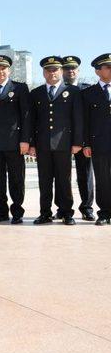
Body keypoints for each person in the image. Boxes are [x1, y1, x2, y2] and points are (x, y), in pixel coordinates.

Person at [29, 56, 83, 225]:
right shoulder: (36, 93)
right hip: (43, 144)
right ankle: (45, 213)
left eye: (55, 69)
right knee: (44, 181)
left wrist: (77, 142)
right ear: (44, 72)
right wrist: (31, 144)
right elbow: (32, 120)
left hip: (64, 144)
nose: (52, 73)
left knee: (64, 180)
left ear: (61, 71)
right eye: (49, 70)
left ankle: (67, 212)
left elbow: (77, 119)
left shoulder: (73, 92)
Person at [0, 55, 31, 224]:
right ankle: (0, 211)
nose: (0, 71)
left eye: (3, 68)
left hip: (14, 143)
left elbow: (26, 116)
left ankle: (17, 211)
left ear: (9, 70)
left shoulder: (19, 88)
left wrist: (25, 140)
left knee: (16, 179)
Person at [62, 56, 95, 221]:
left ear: (78, 70)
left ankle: (87, 207)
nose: (70, 71)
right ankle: (62, 208)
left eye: (73, 68)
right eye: (67, 68)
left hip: (82, 140)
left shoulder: (86, 90)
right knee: (61, 175)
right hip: (61, 139)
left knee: (85, 175)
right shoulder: (56, 89)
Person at [82, 54, 111, 226]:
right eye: (107, 66)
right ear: (97, 71)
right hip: (99, 143)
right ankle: (105, 212)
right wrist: (86, 143)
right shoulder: (89, 93)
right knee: (102, 179)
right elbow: (85, 121)